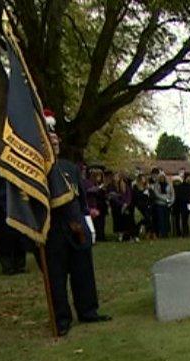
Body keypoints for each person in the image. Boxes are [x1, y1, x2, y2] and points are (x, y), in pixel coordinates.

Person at [43, 129, 110, 336]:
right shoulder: (36, 171)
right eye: (49, 139)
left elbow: (81, 199)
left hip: (77, 227)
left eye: (56, 139)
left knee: (83, 272)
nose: (54, 142)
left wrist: (86, 223)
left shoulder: (69, 168)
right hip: (53, 231)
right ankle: (62, 318)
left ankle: (88, 310)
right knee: (56, 276)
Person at [82, 168, 108, 241]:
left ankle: (101, 236)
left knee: (101, 222)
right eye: (98, 176)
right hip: (91, 205)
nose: (99, 178)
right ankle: (95, 237)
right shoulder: (88, 183)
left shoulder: (99, 184)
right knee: (94, 223)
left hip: (100, 204)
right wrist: (98, 188)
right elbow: (88, 191)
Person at [107, 174, 134, 242]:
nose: (115, 178)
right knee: (118, 220)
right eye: (114, 177)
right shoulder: (111, 186)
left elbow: (129, 196)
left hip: (126, 206)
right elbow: (113, 198)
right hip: (117, 206)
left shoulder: (125, 186)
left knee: (127, 219)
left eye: (116, 177)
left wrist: (126, 204)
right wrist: (121, 204)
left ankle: (128, 235)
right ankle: (120, 235)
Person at [150, 171, 175, 238]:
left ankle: (166, 233)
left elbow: (172, 195)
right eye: (160, 177)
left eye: (163, 177)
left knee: (166, 219)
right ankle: (161, 232)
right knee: (160, 219)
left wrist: (170, 202)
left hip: (167, 205)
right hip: (159, 204)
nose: (162, 179)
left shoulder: (169, 185)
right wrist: (166, 199)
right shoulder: (156, 185)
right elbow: (157, 195)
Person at [132, 173, 153, 239]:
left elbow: (151, 196)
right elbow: (136, 196)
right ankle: (136, 233)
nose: (143, 180)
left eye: (144, 178)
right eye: (142, 178)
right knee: (144, 219)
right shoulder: (135, 187)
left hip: (147, 206)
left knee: (148, 219)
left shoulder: (147, 187)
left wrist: (147, 192)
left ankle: (143, 230)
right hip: (139, 206)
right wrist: (143, 192)